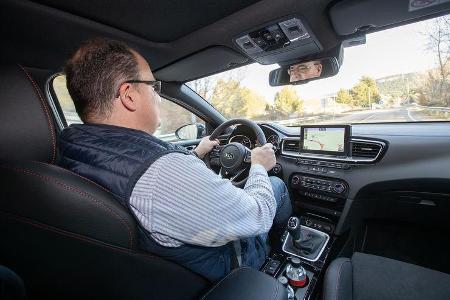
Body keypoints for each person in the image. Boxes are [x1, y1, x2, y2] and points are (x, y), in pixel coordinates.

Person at [58, 38, 292, 281]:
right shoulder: (163, 171)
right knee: (275, 188)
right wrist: (258, 166)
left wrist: (197, 154)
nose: (158, 97)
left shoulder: (72, 146)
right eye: (153, 86)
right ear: (129, 95)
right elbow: (258, 215)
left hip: (151, 273)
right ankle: (281, 251)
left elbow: (140, 177)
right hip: (226, 266)